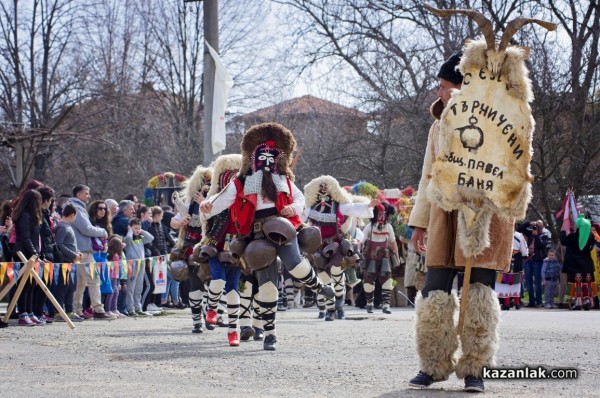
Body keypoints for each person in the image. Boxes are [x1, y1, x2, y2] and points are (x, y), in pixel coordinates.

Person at [407, 51, 514, 392]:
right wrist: (420, 222)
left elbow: (512, 172)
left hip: (484, 217)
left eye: (443, 86)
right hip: (444, 214)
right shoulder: (438, 125)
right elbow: (427, 176)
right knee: (435, 287)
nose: (438, 93)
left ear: (461, 87)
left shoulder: (500, 121)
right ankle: (433, 364)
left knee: (479, 291)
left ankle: (476, 368)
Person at [200, 122, 335, 350]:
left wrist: (295, 208)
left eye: (271, 158)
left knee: (293, 263)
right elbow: (222, 199)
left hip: (283, 226)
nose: (266, 162)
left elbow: (300, 199)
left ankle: (318, 286)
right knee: (267, 285)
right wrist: (207, 206)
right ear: (253, 159)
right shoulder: (243, 181)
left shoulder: (283, 180)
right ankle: (270, 334)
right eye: (261, 157)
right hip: (256, 235)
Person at [302, 175, 376, 320]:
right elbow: (299, 216)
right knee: (323, 277)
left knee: (336, 272)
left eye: (326, 189)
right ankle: (330, 309)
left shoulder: (339, 206)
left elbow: (354, 208)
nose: (323, 192)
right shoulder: (311, 209)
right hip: (319, 246)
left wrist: (369, 206)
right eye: (320, 189)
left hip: (336, 245)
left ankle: (340, 304)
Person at [199, 154, 244, 346]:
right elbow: (205, 213)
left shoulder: (246, 201)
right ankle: (211, 308)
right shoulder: (216, 198)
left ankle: (234, 331)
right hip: (215, 245)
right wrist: (204, 205)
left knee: (233, 290)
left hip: (237, 247)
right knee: (218, 279)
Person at [171, 165, 213, 333]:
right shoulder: (188, 204)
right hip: (191, 248)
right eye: (204, 183)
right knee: (196, 284)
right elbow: (173, 222)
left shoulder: (214, 203)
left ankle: (211, 314)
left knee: (214, 283)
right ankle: (197, 321)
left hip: (210, 247)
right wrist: (181, 223)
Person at [68, 184, 113, 320]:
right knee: (94, 280)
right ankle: (98, 309)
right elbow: (86, 228)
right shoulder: (77, 208)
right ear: (79, 195)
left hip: (80, 250)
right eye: (86, 193)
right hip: (82, 251)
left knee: (80, 284)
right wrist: (103, 232)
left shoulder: (78, 207)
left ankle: (77, 310)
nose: (89, 196)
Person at [360, 202, 400, 314]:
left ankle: (386, 305)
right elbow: (361, 241)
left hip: (385, 257)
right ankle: (369, 304)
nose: (381, 217)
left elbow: (393, 242)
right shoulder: (369, 227)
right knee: (368, 280)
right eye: (379, 214)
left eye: (383, 214)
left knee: (388, 280)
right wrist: (358, 251)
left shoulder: (389, 227)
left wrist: (396, 256)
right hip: (370, 257)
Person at [11, 190, 43, 326]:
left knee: (31, 284)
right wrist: (34, 254)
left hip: (31, 253)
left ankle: (30, 312)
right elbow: (25, 237)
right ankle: (23, 314)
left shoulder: (32, 216)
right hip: (23, 253)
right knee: (23, 285)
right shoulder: (24, 215)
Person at [53, 204, 84, 322]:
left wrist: (77, 252)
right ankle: (59, 311)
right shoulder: (62, 226)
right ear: (73, 215)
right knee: (63, 287)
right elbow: (59, 244)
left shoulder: (67, 226)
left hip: (70, 261)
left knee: (70, 287)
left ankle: (69, 311)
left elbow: (69, 244)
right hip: (64, 262)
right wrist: (73, 254)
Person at [560, 214, 597, 310]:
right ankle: (586, 301)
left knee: (576, 284)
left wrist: (563, 231)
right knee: (586, 283)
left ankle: (577, 303)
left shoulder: (573, 236)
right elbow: (594, 243)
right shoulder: (590, 236)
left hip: (575, 265)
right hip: (587, 266)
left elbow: (563, 241)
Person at [147, 206, 178, 310]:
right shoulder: (150, 226)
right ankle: (151, 302)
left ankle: (157, 302)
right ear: (156, 215)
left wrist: (164, 252)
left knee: (160, 280)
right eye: (161, 216)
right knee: (154, 280)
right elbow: (150, 242)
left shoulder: (160, 225)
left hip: (163, 256)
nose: (162, 218)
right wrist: (156, 252)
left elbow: (164, 241)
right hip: (154, 257)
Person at [123, 218, 154, 316]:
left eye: (138, 228)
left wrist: (142, 231)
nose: (137, 230)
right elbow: (127, 239)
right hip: (132, 265)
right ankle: (130, 308)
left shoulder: (140, 238)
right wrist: (130, 231)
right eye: (135, 228)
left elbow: (151, 238)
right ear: (130, 228)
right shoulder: (128, 238)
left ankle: (138, 307)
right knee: (131, 287)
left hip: (141, 264)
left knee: (139, 287)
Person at [523, 220, 549, 307]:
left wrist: (536, 235)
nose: (538, 228)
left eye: (540, 227)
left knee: (538, 281)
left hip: (537, 260)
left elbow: (542, 246)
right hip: (528, 260)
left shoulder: (545, 235)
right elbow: (520, 228)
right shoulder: (530, 233)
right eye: (537, 226)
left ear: (543, 227)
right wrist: (529, 223)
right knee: (528, 281)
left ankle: (539, 301)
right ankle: (531, 301)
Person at [105, 235, 126, 318]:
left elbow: (124, 245)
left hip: (117, 276)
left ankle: (114, 308)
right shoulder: (112, 256)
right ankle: (108, 309)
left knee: (116, 292)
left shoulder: (118, 254)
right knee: (111, 292)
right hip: (112, 276)